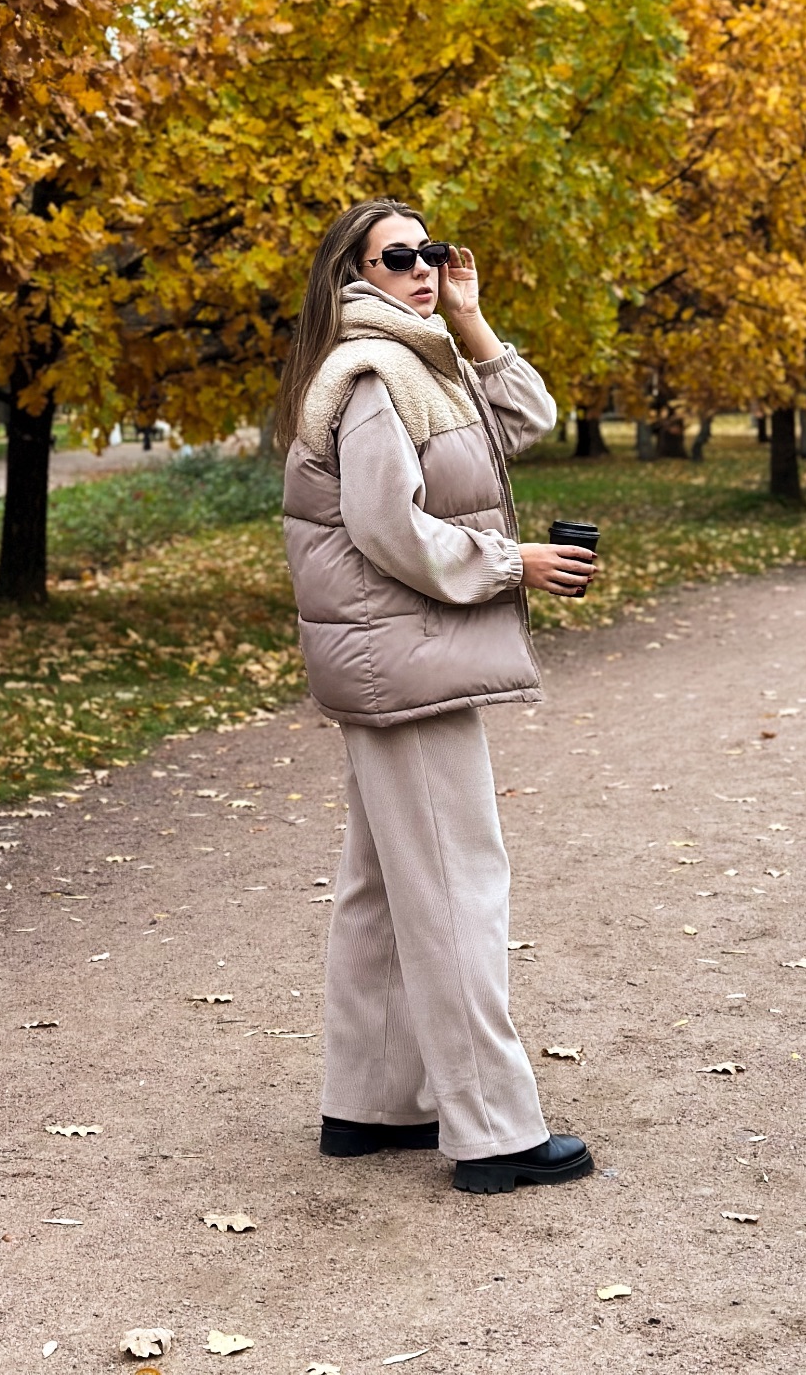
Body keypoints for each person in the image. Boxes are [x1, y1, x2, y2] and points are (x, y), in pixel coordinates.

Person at [276, 197, 598, 1195]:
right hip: (405, 660)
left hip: (397, 659)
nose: (422, 265)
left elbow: (530, 421)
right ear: (354, 276)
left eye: (431, 250)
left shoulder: (425, 363)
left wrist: (470, 315)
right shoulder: (373, 375)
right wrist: (514, 560)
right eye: (398, 256)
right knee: (458, 885)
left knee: (383, 887)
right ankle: (494, 1131)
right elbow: (390, 530)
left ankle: (370, 1102)